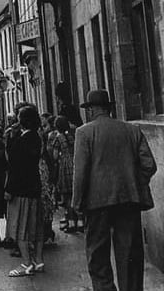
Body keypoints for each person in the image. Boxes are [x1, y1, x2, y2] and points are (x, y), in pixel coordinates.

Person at [73, 89, 157, 291]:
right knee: (130, 254)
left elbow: (80, 173)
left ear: (91, 110)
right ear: (109, 108)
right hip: (128, 199)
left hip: (96, 202)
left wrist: (77, 202)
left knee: (97, 254)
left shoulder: (84, 133)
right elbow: (149, 165)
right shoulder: (132, 130)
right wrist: (133, 182)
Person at [4, 105, 45, 276]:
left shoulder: (20, 141)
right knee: (37, 229)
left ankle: (27, 263)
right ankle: (39, 260)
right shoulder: (36, 137)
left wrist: (9, 189)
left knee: (21, 229)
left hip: (21, 190)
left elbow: (14, 167)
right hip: (34, 187)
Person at [52, 115, 78, 232]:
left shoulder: (58, 138)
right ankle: (80, 221)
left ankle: (71, 222)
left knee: (67, 196)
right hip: (74, 163)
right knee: (75, 194)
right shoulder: (72, 135)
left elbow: (55, 156)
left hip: (64, 166)